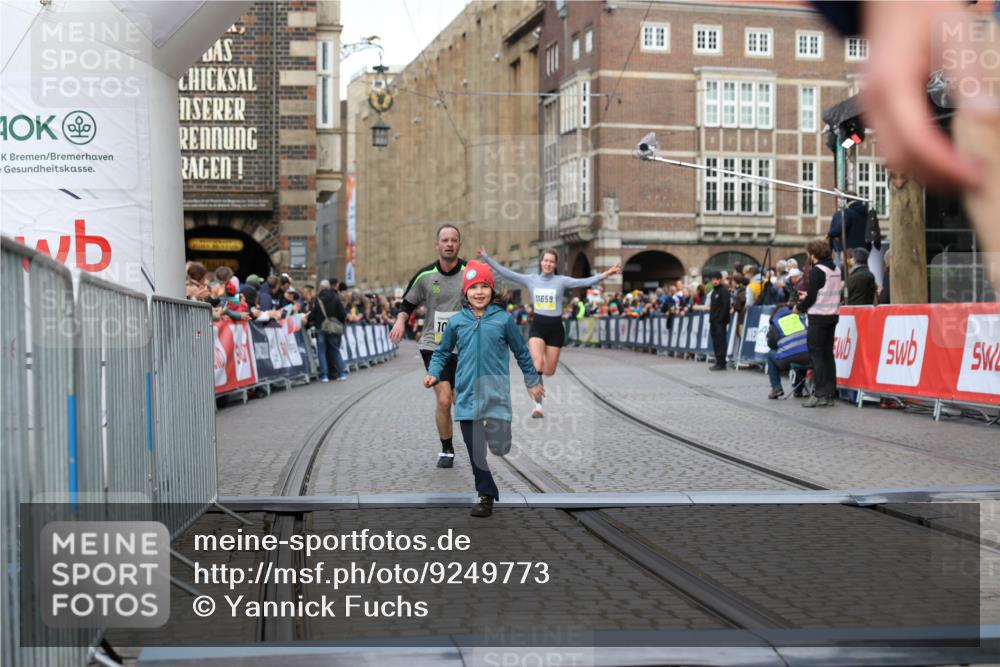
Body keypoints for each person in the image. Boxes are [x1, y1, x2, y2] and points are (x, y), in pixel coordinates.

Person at [424, 261, 543, 517]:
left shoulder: (503, 320)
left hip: (496, 396)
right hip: (467, 395)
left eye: (484, 287)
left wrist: (532, 381)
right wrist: (433, 373)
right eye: (473, 287)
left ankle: (497, 438)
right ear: (465, 291)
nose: (479, 292)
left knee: (499, 447)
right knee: (475, 451)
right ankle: (486, 494)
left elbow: (522, 353)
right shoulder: (457, 322)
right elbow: (442, 352)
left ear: (492, 290)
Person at [478, 246, 621, 418]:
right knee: (537, 365)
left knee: (549, 371)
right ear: (541, 262)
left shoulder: (561, 281)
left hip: (555, 329)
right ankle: (538, 405)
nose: (548, 264)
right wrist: (487, 258)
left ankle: (541, 373)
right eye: (546, 260)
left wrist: (606, 274)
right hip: (538, 326)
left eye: (551, 262)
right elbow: (508, 273)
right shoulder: (531, 279)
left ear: (555, 264)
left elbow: (584, 281)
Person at [390, 225, 466, 468]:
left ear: (459, 244)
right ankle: (447, 449)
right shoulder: (425, 276)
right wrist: (400, 321)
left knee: (462, 402)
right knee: (444, 399)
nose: (449, 244)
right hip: (434, 345)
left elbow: (489, 297)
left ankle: (473, 444)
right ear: (437, 245)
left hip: (464, 346)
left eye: (454, 240)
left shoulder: (470, 272)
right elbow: (407, 304)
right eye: (445, 240)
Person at [794, 239, 842, 407]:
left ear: (813, 255)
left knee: (816, 355)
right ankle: (829, 393)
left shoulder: (817, 270)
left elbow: (813, 298)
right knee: (828, 355)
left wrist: (799, 307)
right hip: (832, 316)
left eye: (809, 254)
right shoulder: (836, 270)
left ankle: (819, 393)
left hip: (818, 316)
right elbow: (825, 291)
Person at [765, 306, 811, 399]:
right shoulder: (798, 318)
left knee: (770, 354)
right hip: (808, 358)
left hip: (787, 360)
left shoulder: (776, 322)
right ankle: (798, 391)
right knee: (800, 353)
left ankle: (776, 388)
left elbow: (771, 344)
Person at [311, 279, 348, 382]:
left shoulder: (317, 299)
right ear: (329, 287)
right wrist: (338, 322)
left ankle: (324, 375)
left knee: (321, 351)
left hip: (320, 327)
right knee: (335, 350)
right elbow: (342, 314)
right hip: (333, 328)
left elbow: (313, 315)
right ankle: (342, 373)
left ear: (320, 288)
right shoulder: (336, 298)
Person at [827, 196, 869, 267]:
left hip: (847, 248)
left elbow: (840, 228)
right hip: (862, 246)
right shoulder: (865, 211)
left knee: (845, 267)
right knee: (861, 266)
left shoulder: (848, 212)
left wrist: (829, 234)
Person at [708, 271, 731, 371]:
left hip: (720, 322)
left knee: (721, 342)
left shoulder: (724, 291)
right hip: (713, 321)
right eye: (713, 279)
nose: (715, 281)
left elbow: (726, 306)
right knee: (716, 342)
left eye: (717, 279)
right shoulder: (714, 292)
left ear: (720, 279)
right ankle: (718, 361)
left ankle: (721, 363)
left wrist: (721, 319)